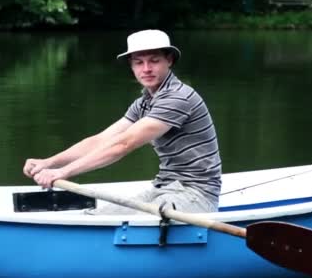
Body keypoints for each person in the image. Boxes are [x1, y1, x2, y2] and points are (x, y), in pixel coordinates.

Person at [23, 29, 221, 214]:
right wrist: (49, 162)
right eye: (138, 62)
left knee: (115, 223)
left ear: (169, 60)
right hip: (164, 187)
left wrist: (63, 172)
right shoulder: (144, 103)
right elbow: (99, 140)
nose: (146, 69)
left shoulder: (177, 98)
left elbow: (123, 144)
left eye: (154, 61)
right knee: (99, 217)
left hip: (196, 195)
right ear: (131, 65)